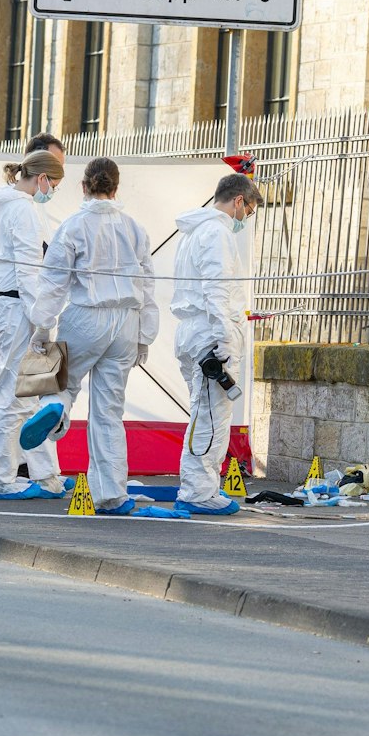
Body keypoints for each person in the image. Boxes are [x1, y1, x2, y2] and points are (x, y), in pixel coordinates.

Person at [19, 157, 159, 515]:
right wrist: (145, 335)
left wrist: (42, 328)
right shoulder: (135, 229)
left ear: (84, 187)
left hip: (86, 315)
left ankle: (56, 406)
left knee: (59, 382)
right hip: (126, 321)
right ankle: (111, 494)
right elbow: (147, 284)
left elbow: (53, 283)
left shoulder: (72, 227)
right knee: (110, 410)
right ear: (116, 188)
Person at [0, 149, 71, 500]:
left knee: (21, 391)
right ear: (42, 179)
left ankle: (45, 475)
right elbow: (28, 271)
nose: (52, 191)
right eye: (54, 184)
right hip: (16, 306)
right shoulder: (24, 210)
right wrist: (44, 323)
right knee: (12, 395)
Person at [171, 172, 262, 515]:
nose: (246, 219)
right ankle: (198, 490)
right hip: (210, 334)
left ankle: (199, 486)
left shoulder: (194, 232)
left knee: (202, 411)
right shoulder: (217, 233)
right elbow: (216, 288)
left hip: (194, 331)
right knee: (211, 416)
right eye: (249, 211)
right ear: (239, 201)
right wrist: (225, 335)